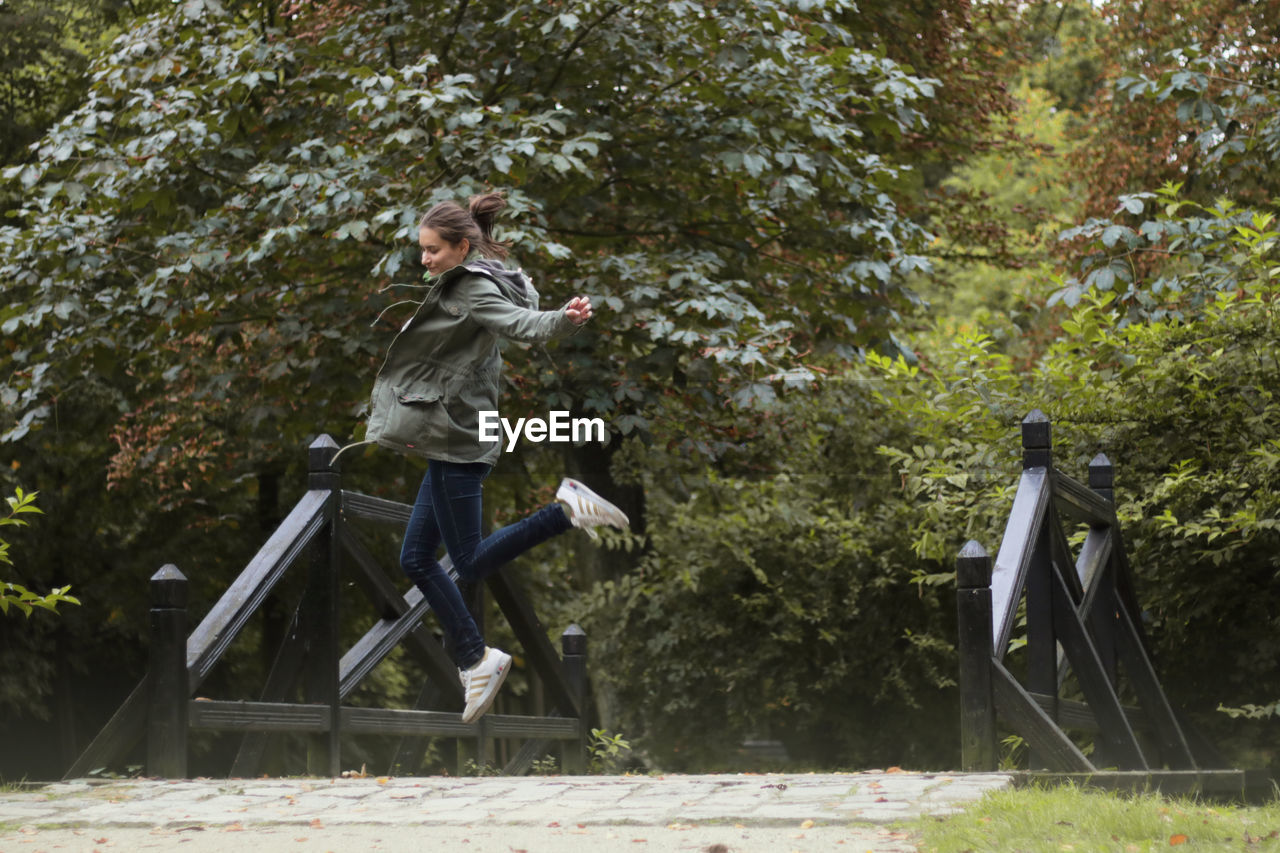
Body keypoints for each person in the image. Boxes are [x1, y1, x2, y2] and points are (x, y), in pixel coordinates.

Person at [362, 191, 629, 724]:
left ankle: (565, 510)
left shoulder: (475, 290)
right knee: (415, 559)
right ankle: (476, 658)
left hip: (457, 439)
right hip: (451, 433)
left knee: (470, 563)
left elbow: (521, 326)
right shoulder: (477, 277)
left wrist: (564, 320)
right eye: (422, 249)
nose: (425, 260)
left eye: (433, 249)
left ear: (461, 247)